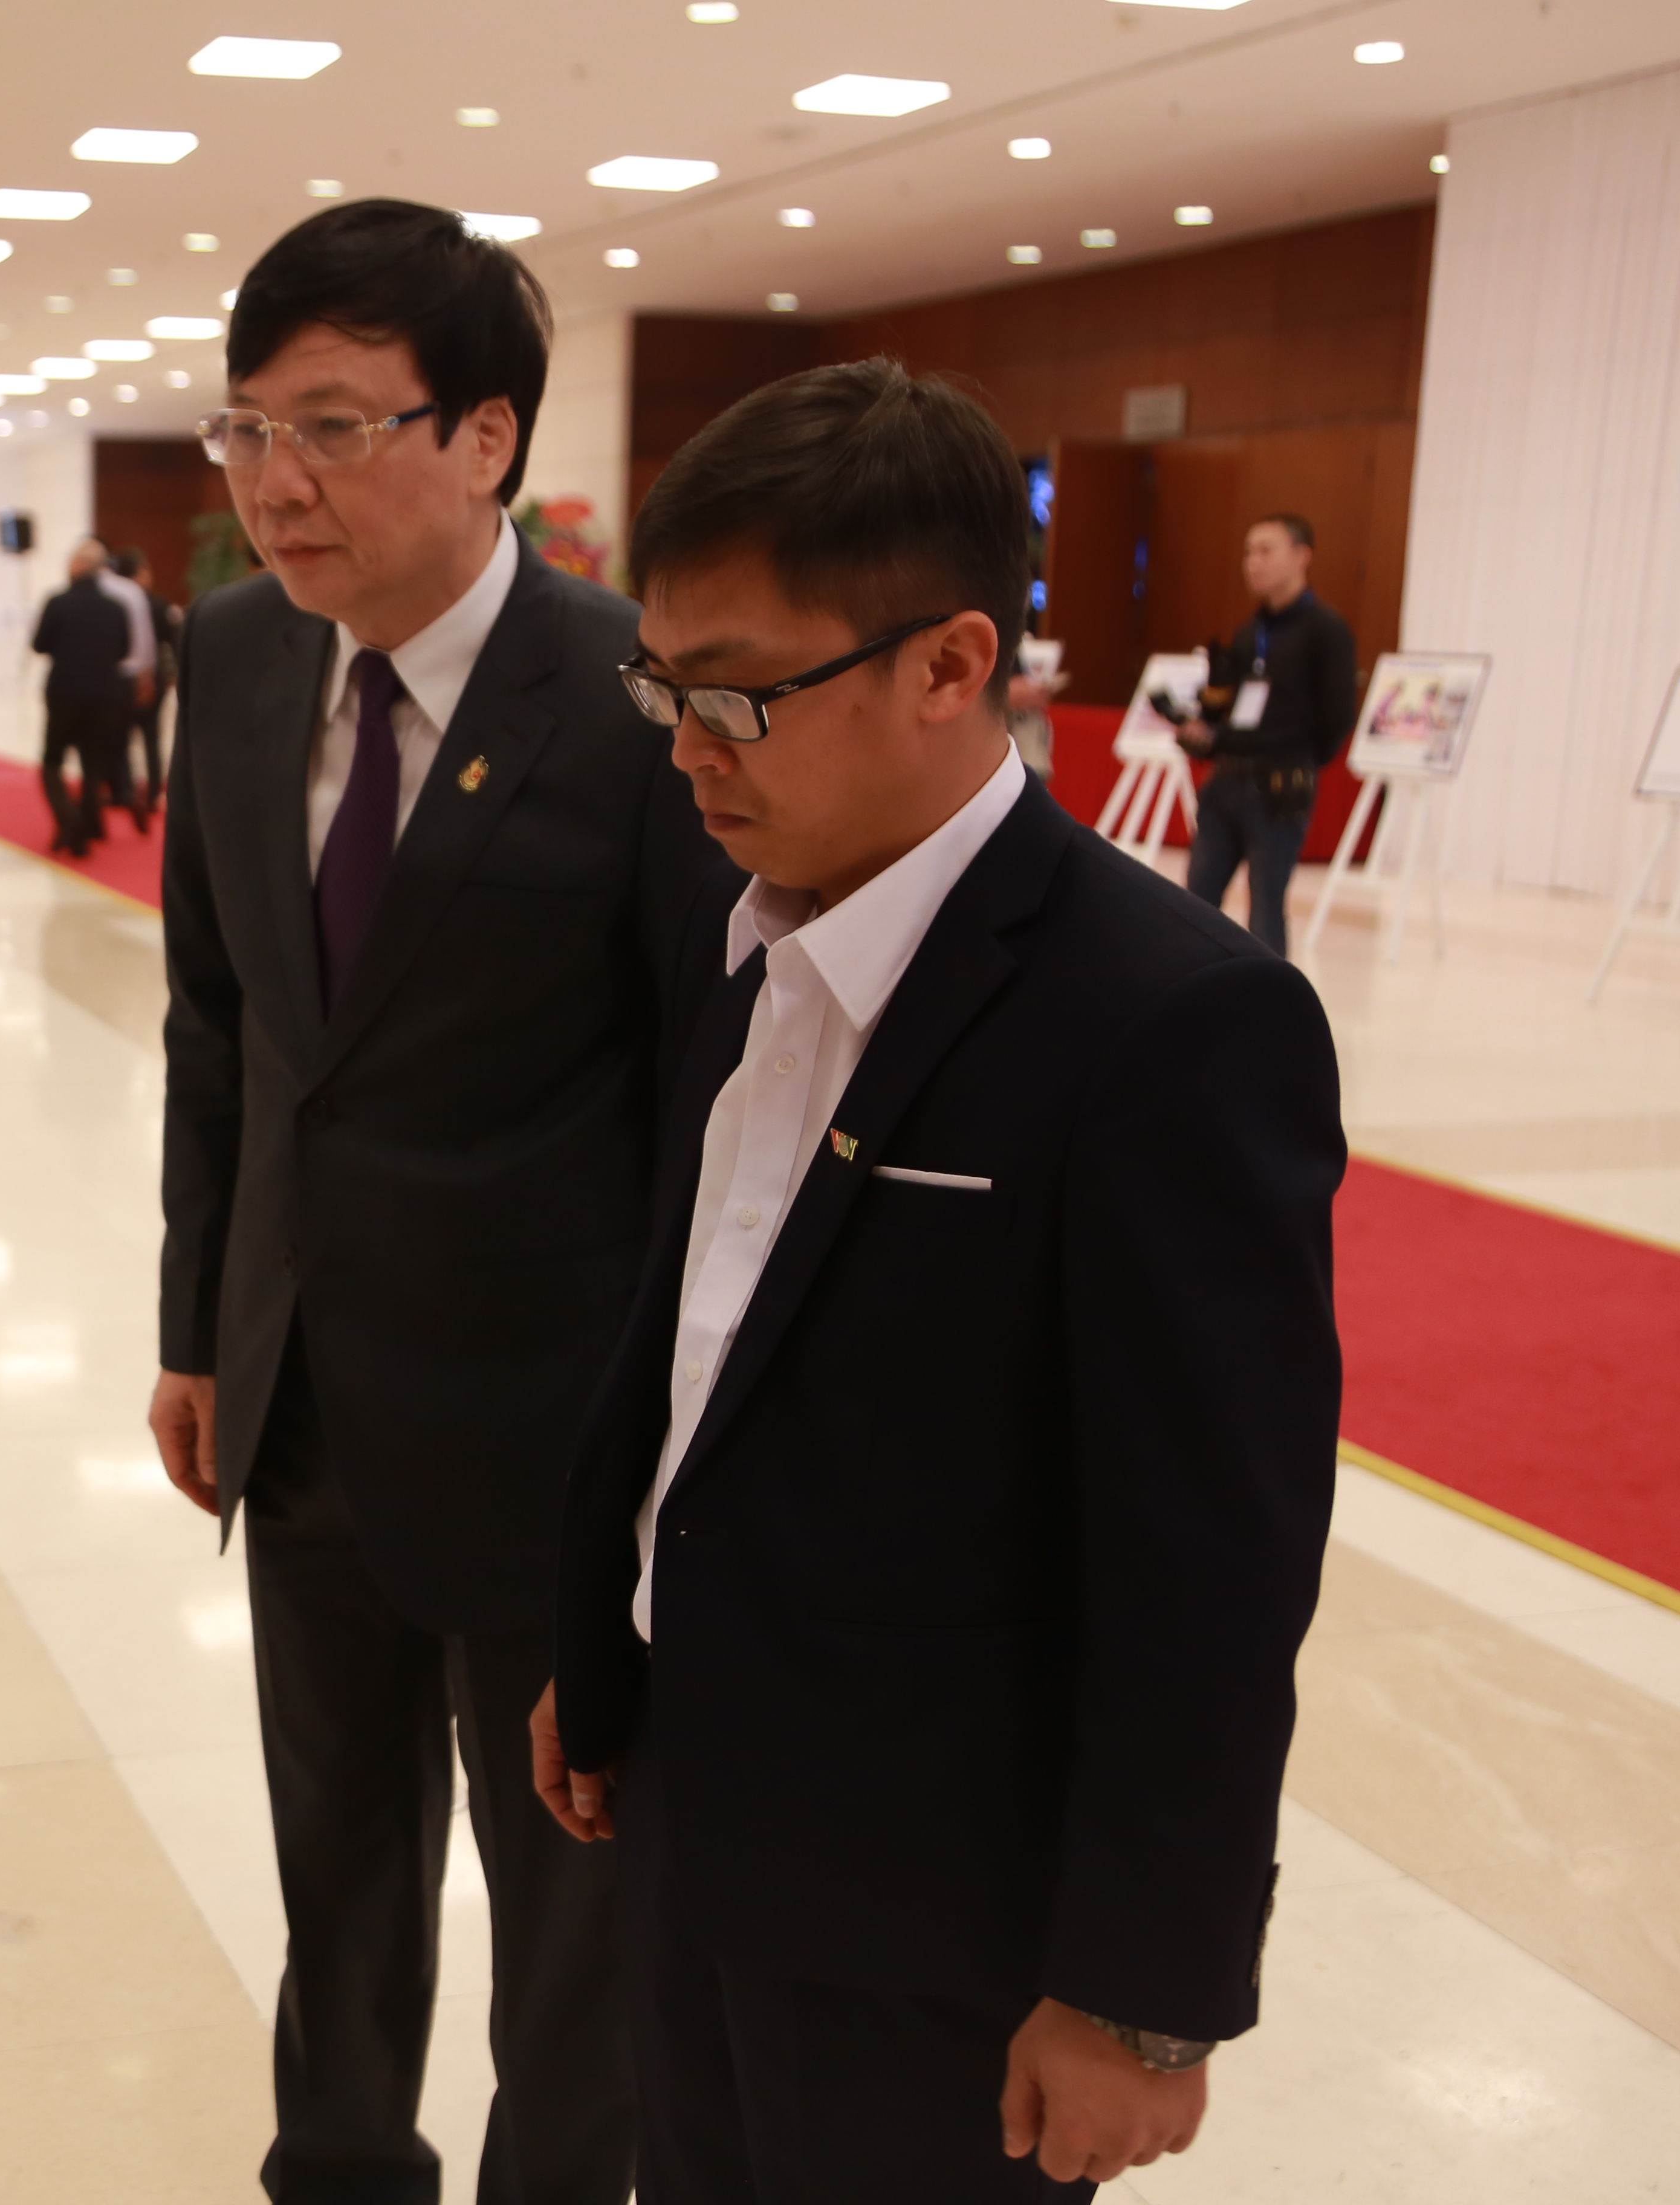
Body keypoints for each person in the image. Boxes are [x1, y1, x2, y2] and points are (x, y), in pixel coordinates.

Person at [531, 360, 1342, 2201]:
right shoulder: (738, 936)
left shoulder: (1170, 1023)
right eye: (662, 683)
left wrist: (1143, 1993)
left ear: (953, 663)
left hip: (937, 1924)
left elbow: (1211, 1562)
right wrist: (603, 1645)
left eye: (737, 689)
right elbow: (698, 1336)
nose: (687, 746)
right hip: (689, 1825)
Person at [151, 198, 729, 2205]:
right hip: (299, 1398)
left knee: (567, 1926)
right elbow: (218, 1019)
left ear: (483, 438)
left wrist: (665, 1451)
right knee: (336, 1872)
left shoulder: (632, 698)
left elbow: (701, 1098)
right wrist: (191, 1325)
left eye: (327, 427)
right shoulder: (228, 656)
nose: (272, 485)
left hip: (548, 1437)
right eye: (243, 430)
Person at [1174, 514, 1359, 956]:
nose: (1253, 562)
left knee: (1265, 911)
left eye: (1266, 550)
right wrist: (1208, 730)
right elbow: (1234, 711)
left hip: (1279, 791)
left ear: (1301, 556)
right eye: (1248, 552)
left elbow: (1337, 719)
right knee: (1193, 904)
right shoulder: (1248, 632)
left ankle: (1269, 1016)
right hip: (1226, 784)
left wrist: (1295, 757)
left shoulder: (1326, 631)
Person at [31, 542, 132, 857]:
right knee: (93, 766)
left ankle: (69, 819)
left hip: (64, 694)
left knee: (52, 762)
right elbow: (123, 650)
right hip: (104, 696)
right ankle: (87, 826)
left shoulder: (58, 603)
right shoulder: (116, 609)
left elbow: (39, 644)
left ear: (75, 568)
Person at [90, 536, 157, 824]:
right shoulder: (131, 592)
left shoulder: (88, 589)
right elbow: (144, 641)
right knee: (122, 741)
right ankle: (128, 794)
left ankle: (106, 798)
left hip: (95, 678)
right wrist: (145, 675)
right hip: (125, 677)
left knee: (94, 744)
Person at [114, 544, 178, 829]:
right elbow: (174, 641)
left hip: (123, 679)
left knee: (124, 738)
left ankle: (127, 791)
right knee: (152, 736)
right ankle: (153, 792)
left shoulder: (116, 603)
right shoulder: (158, 604)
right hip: (154, 678)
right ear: (140, 573)